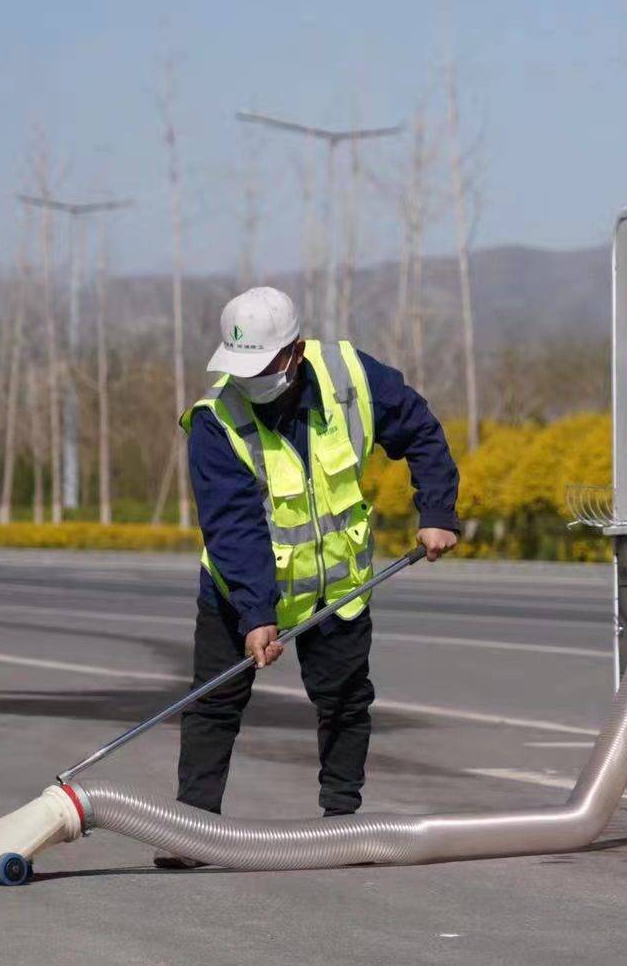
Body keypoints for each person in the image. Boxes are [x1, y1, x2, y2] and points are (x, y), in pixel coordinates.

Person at [158, 286, 460, 867]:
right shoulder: (216, 422)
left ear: (295, 352)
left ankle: (341, 823)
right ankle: (193, 829)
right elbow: (233, 526)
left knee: (345, 701)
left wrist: (438, 512)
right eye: (240, 366)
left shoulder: (351, 377)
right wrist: (256, 614)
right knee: (214, 705)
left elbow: (420, 429)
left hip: (338, 585)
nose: (249, 379)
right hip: (238, 590)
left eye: (262, 365)